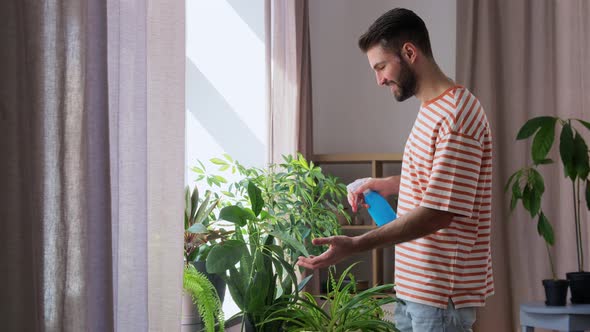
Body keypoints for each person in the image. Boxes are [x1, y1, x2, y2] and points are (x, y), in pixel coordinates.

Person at [296, 8, 493, 332]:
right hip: (414, 289)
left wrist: (355, 245)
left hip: (440, 295)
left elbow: (438, 212)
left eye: (381, 66)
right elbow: (442, 182)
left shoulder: (457, 114)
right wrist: (387, 184)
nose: (379, 79)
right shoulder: (433, 108)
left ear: (409, 53)